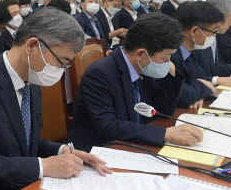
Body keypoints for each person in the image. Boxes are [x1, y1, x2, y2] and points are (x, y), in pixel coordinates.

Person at [0, 8, 112, 190]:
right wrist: (43, 166)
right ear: (32, 46)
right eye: (62, 62)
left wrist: (63, 151)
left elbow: (25, 144)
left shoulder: (31, 81)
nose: (62, 71)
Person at [70, 14, 202, 150]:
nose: (168, 62)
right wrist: (165, 133)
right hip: (101, 150)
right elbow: (108, 126)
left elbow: (163, 110)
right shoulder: (100, 74)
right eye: (166, 56)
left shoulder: (145, 66)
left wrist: (171, 76)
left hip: (135, 143)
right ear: (141, 54)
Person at [172, 1, 231, 109]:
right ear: (195, 31)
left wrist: (199, 91)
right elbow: (181, 95)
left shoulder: (191, 51)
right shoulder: (170, 54)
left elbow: (199, 79)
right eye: (214, 30)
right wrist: (200, 90)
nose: (215, 35)